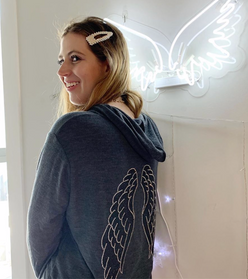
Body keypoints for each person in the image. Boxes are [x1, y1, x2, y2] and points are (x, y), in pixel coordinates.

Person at [27, 16, 166, 279]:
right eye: (61, 60)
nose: (62, 71)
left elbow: (41, 224)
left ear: (106, 64)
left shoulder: (72, 129)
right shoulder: (146, 127)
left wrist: (49, 273)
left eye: (75, 58)